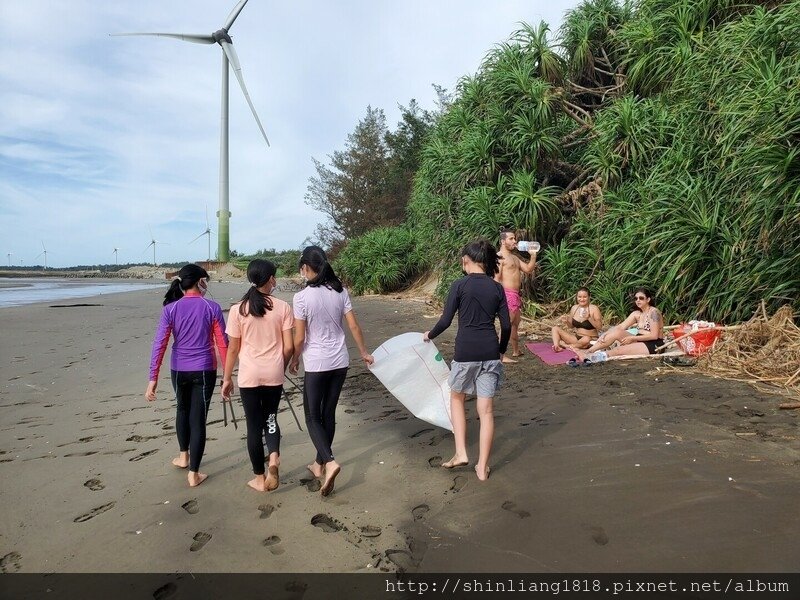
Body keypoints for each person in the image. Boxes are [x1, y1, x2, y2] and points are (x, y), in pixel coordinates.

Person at [288, 246, 374, 496]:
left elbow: (300, 336)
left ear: (306, 267)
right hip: (340, 361)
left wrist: (295, 359)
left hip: (316, 363)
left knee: (312, 416)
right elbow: (354, 326)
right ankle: (318, 464)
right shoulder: (340, 291)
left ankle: (330, 461)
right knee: (328, 413)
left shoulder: (302, 298)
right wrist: (364, 352)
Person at [424, 239, 511, 482]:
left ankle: (461, 452)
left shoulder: (459, 285)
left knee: (457, 397)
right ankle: (482, 467)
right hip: (490, 351)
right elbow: (505, 325)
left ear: (466, 261)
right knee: (486, 411)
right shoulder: (497, 288)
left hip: (465, 352)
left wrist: (428, 335)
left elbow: (445, 320)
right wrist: (501, 351)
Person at [145, 264, 227, 487]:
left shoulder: (170, 309)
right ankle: (194, 473)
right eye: (206, 280)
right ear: (200, 281)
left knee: (182, 409)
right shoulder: (212, 308)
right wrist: (227, 376)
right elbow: (223, 344)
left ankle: (184, 457)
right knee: (198, 418)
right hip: (204, 369)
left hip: (178, 370)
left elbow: (160, 344)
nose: (207, 284)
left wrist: (153, 378)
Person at [221, 260, 294, 492]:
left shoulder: (238, 310)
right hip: (273, 371)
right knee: (271, 418)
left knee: (253, 426)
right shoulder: (283, 307)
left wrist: (226, 378)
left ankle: (260, 479)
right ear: (270, 279)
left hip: (249, 374)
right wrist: (279, 366)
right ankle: (273, 457)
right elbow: (289, 346)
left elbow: (233, 349)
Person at [577, 287, 664, 360]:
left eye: (641, 298)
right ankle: (589, 351)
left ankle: (593, 358)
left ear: (648, 299)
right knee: (616, 332)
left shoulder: (654, 312)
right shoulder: (637, 314)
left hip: (654, 344)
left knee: (619, 350)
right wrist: (605, 334)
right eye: (636, 298)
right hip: (639, 339)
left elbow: (654, 336)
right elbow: (621, 326)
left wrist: (632, 338)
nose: (638, 300)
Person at [495, 229, 537, 362]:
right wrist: (499, 297)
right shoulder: (499, 257)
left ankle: (515, 351)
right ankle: (499, 354)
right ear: (503, 241)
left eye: (514, 239)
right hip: (506, 295)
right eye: (511, 239)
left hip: (515, 294)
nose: (515, 241)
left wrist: (533, 255)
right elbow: (496, 279)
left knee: (515, 324)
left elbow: (529, 269)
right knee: (506, 324)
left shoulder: (515, 258)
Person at [551, 287, 602, 351]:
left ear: (589, 297)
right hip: (576, 338)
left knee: (586, 339)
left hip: (590, 339)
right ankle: (557, 346)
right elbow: (571, 326)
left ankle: (566, 345)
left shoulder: (594, 308)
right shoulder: (574, 308)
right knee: (555, 329)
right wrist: (566, 321)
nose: (582, 299)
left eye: (584, 297)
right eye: (579, 297)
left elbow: (599, 327)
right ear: (577, 297)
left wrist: (589, 318)